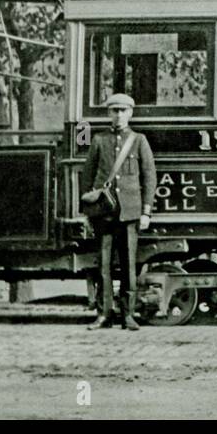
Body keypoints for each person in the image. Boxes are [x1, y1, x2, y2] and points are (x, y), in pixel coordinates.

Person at [80, 93, 156, 330]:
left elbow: (149, 177)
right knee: (103, 266)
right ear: (109, 113)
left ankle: (128, 315)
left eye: (123, 111)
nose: (119, 115)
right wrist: (88, 211)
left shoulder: (139, 140)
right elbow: (87, 177)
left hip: (130, 212)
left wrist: (146, 212)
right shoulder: (99, 140)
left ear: (131, 113)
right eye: (115, 111)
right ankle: (104, 315)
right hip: (104, 212)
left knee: (128, 265)